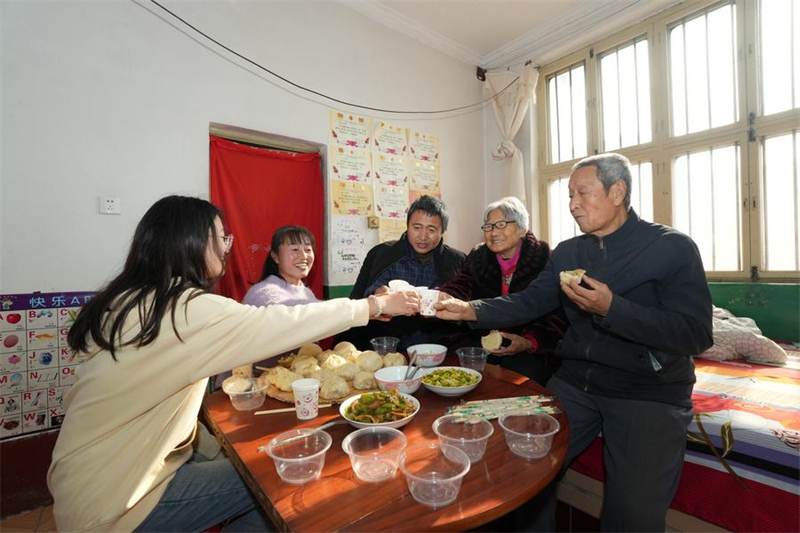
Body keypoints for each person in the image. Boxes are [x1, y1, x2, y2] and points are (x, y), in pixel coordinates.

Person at [47, 195, 419, 533]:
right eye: (222, 238)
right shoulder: (185, 310)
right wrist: (374, 306)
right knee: (290, 467)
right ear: (191, 243)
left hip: (88, 480)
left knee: (263, 474)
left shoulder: (132, 300)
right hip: (120, 501)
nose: (227, 249)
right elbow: (277, 321)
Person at [435, 153, 713, 531]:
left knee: (633, 515)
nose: (572, 205)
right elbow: (530, 300)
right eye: (569, 195)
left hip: (647, 389)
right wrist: (470, 309)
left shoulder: (671, 248)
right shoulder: (569, 252)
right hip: (577, 382)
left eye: (582, 193)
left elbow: (695, 334)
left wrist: (613, 308)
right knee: (521, 472)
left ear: (618, 192)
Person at [438, 197, 566, 385]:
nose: (493, 232)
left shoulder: (545, 257)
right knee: (455, 374)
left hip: (529, 345)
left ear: (522, 228)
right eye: (488, 226)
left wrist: (529, 342)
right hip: (483, 340)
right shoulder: (478, 257)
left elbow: (557, 315)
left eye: (501, 224)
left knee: (521, 380)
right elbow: (460, 285)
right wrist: (438, 297)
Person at [338, 194, 466, 351]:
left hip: (437, 346)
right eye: (417, 228)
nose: (423, 236)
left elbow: (464, 308)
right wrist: (378, 295)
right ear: (408, 226)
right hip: (386, 344)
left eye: (431, 229)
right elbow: (359, 297)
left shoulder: (456, 260)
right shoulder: (382, 253)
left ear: (442, 231)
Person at [243, 225, 319, 308]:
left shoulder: (306, 292)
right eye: (295, 249)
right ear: (275, 256)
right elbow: (290, 312)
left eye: (308, 250)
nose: (304, 256)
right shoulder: (262, 292)